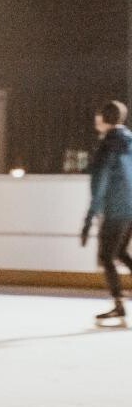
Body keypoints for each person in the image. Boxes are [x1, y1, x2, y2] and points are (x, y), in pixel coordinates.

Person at [82, 99, 132, 321]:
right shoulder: (129, 140)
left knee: (106, 256)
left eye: (98, 116)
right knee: (120, 252)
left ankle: (119, 306)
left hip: (117, 208)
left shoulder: (108, 145)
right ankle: (119, 305)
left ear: (103, 119)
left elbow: (100, 182)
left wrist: (90, 217)